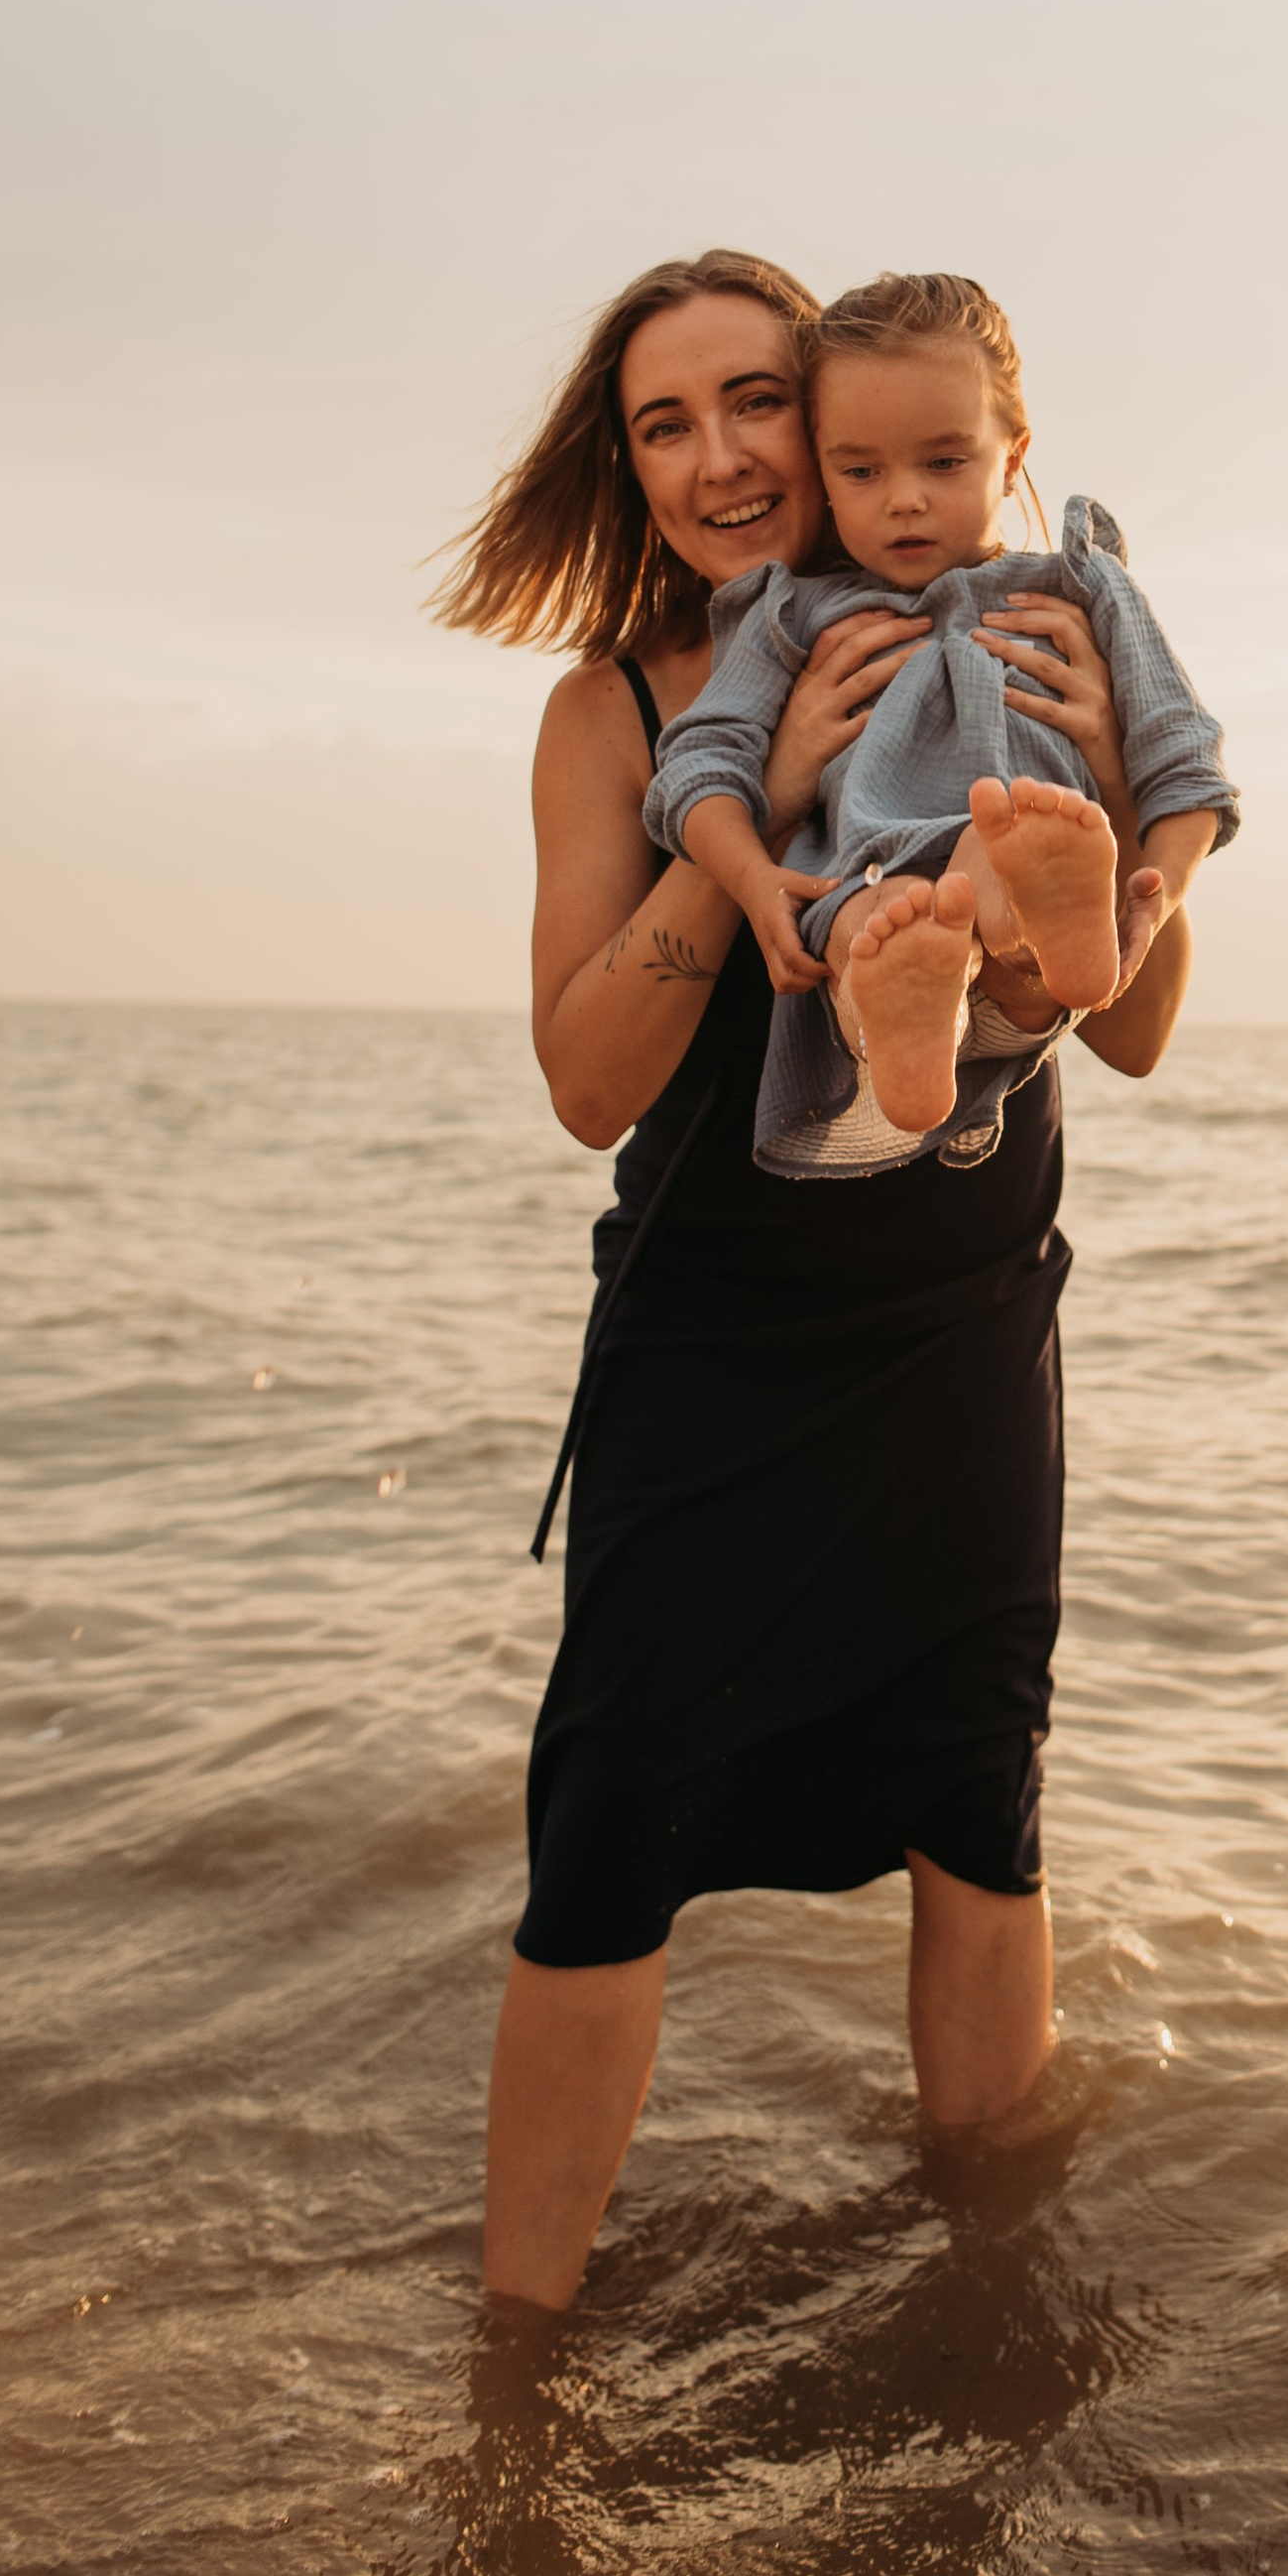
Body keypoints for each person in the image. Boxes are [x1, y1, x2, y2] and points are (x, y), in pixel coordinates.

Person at [432, 247, 1198, 2313]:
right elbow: (588, 1086)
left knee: (977, 1790)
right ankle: (519, 2364)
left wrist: (1116, 794)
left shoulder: (996, 626)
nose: (715, 459)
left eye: (748, 404)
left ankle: (988, 2291)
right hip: (707, 1342)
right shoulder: (604, 714)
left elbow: (1125, 1031)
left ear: (831, 418)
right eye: (660, 424)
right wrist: (741, 820)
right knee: (610, 1832)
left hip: (957, 1324)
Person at [649, 269, 1233, 1165]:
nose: (905, 497)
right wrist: (753, 878)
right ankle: (909, 1024)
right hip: (867, 887)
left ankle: (1020, 916)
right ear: (823, 468)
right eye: (861, 469)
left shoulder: (1082, 590)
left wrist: (1156, 895)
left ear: (1015, 453)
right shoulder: (793, 617)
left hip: (1018, 924)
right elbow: (700, 765)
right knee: (871, 923)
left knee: (997, 865)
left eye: (945, 460)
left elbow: (1183, 758)